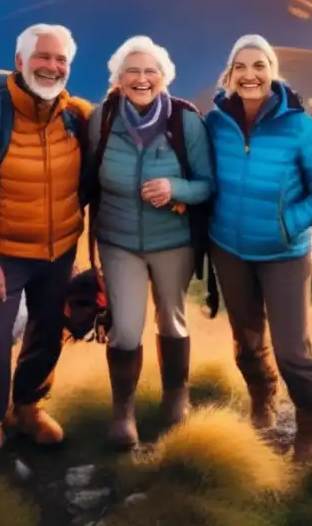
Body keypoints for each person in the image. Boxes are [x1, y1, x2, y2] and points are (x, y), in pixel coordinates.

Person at [0, 23, 92, 476]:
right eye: (42, 57)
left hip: (60, 250)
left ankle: (26, 408)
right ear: (20, 63)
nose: (51, 67)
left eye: (60, 59)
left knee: (47, 334)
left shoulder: (79, 116)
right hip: (3, 254)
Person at [205, 34, 312, 464]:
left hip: (284, 253)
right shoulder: (215, 123)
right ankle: (262, 397)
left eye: (259, 65)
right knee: (246, 340)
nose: (250, 75)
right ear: (229, 75)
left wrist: (289, 223)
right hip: (228, 247)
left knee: (291, 347)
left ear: (272, 71)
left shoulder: (302, 126)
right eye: (241, 67)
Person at [86, 36, 215, 451]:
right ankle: (122, 414)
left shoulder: (186, 122)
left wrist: (175, 187)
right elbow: (86, 177)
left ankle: (175, 399)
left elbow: (208, 184)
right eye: (132, 71)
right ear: (118, 78)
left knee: (171, 320)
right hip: (118, 239)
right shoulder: (101, 120)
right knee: (124, 329)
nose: (141, 79)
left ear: (164, 78)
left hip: (173, 240)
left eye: (150, 71)